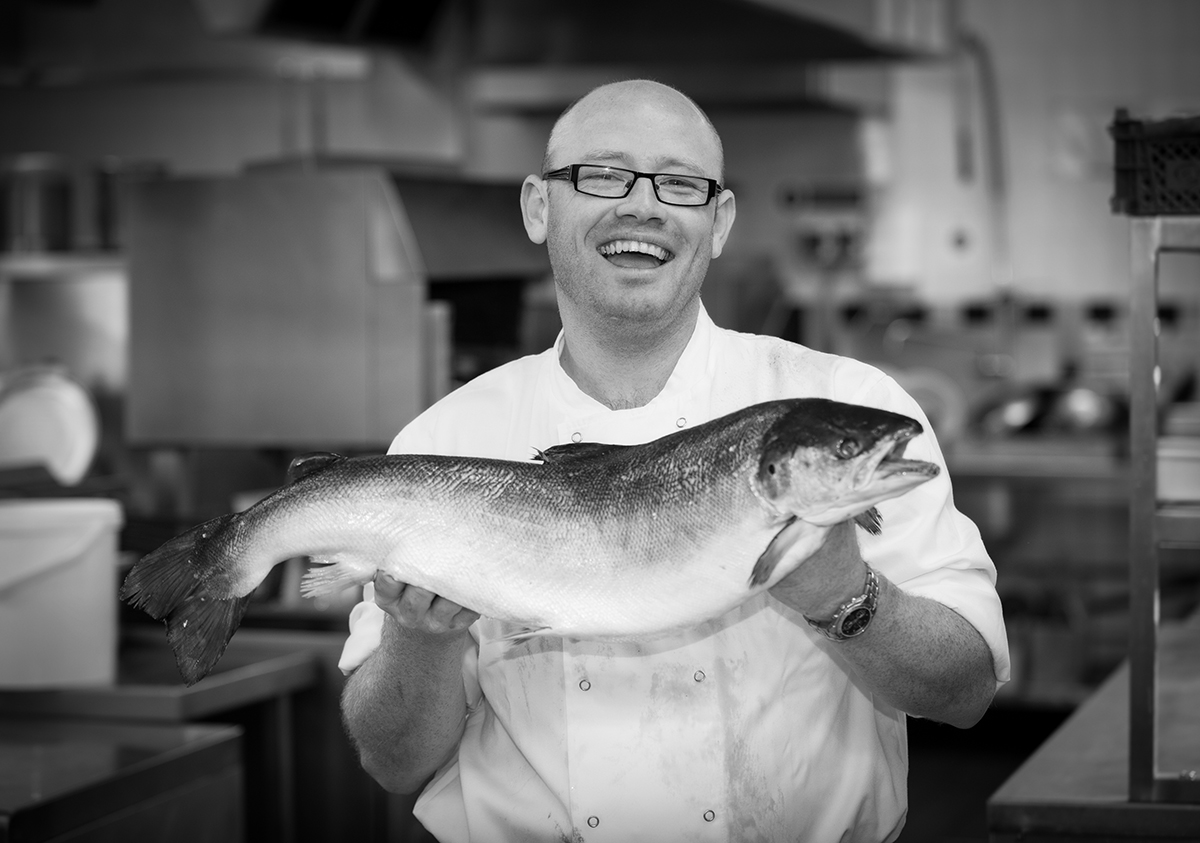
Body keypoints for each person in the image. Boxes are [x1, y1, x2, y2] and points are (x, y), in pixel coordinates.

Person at [338, 78, 1009, 843]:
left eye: (680, 184)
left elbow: (967, 690)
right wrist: (421, 638)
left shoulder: (838, 404)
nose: (641, 205)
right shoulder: (446, 444)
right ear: (537, 207)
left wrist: (848, 597)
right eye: (602, 175)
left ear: (718, 222)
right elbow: (392, 761)